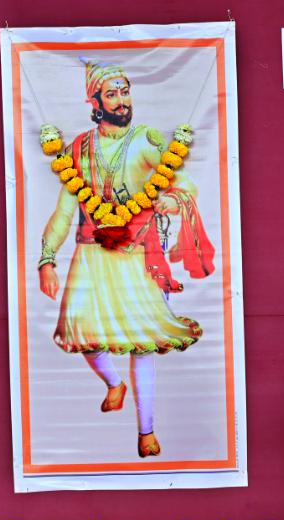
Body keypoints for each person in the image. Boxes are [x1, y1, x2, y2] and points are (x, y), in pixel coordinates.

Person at [37, 60, 214, 459]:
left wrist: (173, 199)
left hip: (137, 256)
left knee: (142, 347)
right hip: (90, 256)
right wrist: (47, 260)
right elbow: (64, 212)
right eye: (112, 94)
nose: (121, 101)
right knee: (85, 340)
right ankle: (113, 384)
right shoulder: (77, 150)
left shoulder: (146, 140)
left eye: (125, 92)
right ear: (95, 101)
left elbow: (183, 182)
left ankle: (146, 431)